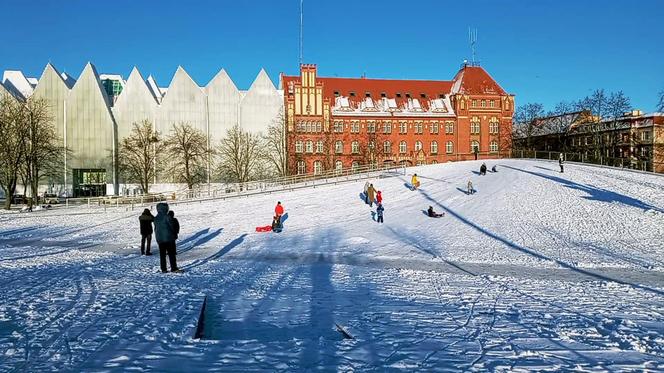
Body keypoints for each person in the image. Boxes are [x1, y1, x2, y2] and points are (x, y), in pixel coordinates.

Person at [153, 202, 182, 273]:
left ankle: (163, 269)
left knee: (162, 255)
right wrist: (174, 233)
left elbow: (156, 229)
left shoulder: (156, 218)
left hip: (160, 239)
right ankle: (174, 268)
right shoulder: (167, 217)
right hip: (169, 238)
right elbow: (172, 226)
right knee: (171, 254)